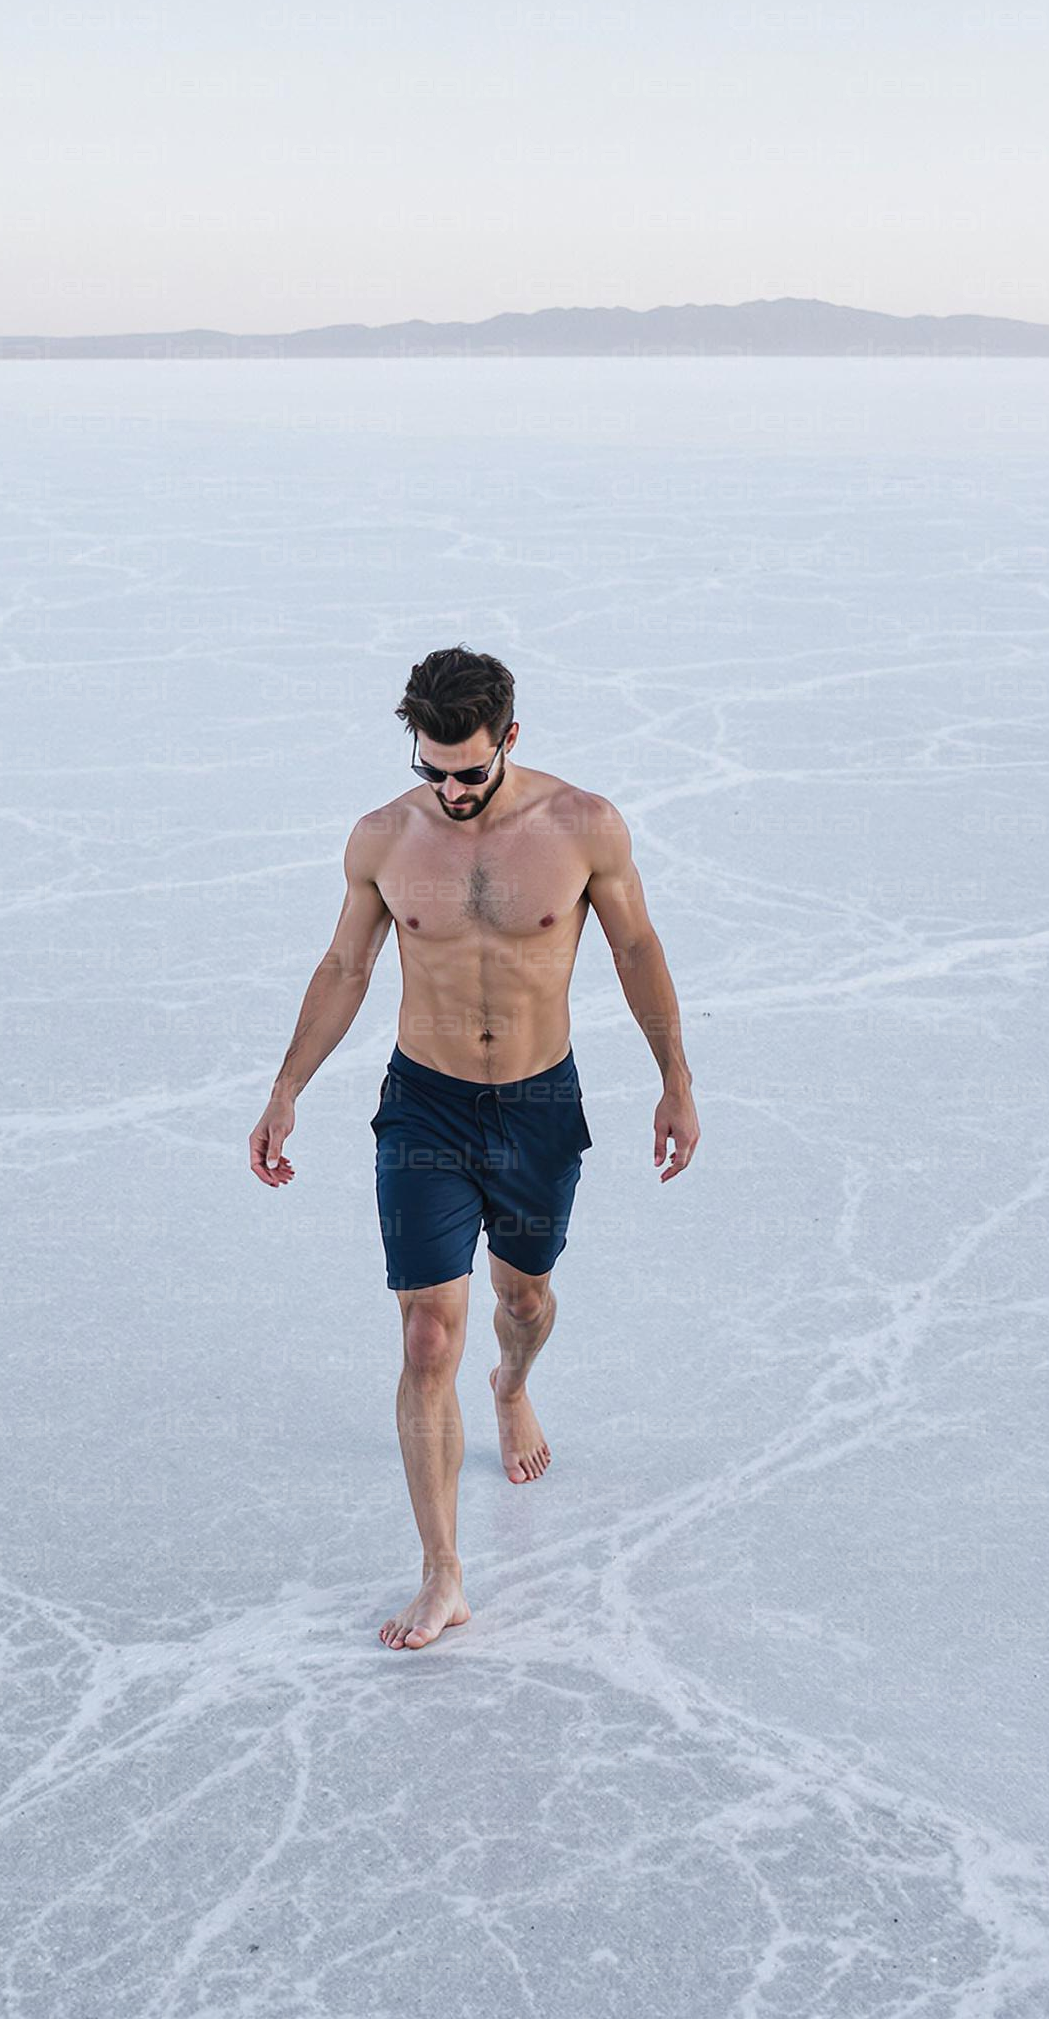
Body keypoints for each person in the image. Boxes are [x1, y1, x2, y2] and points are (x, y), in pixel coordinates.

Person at [249, 645, 700, 1650]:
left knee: (521, 1301)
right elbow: (343, 965)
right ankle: (443, 1572)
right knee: (424, 1338)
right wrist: (285, 1088)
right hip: (425, 1109)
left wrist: (675, 1080)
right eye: (431, 769)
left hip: (538, 1106)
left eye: (469, 769)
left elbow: (634, 948)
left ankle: (514, 1386)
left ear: (508, 739)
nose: (450, 789)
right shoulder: (381, 839)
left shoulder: (582, 826)